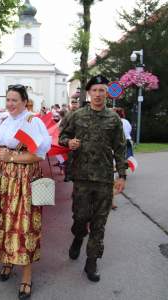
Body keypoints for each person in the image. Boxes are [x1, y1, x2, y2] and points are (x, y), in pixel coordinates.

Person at [0, 84, 51, 300]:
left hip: (23, 179)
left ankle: (26, 276)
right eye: (8, 100)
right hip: (1, 176)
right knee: (4, 219)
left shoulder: (32, 121)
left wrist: (12, 158)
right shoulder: (6, 121)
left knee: (22, 225)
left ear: (25, 101)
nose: (10, 104)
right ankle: (8, 260)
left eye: (15, 100)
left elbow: (39, 155)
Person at [59, 75, 127, 282]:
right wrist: (69, 142)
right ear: (89, 93)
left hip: (104, 179)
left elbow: (120, 148)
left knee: (99, 222)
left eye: (102, 91)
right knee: (80, 218)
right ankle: (78, 236)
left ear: (107, 93)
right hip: (81, 177)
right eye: (95, 90)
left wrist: (122, 175)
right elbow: (61, 136)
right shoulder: (76, 115)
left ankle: (92, 261)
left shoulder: (113, 119)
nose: (98, 94)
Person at [59, 98, 80, 182]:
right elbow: (61, 126)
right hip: (69, 140)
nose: (74, 105)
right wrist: (64, 136)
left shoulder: (81, 114)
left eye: (76, 103)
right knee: (69, 159)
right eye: (73, 103)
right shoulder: (67, 115)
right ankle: (68, 175)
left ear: (78, 104)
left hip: (80, 139)